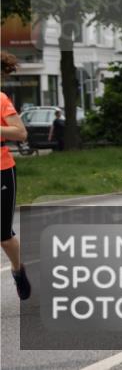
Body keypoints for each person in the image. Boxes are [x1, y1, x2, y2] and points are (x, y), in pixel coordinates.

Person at [1, 52, 31, 300]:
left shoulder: (1, 100)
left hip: (2, 169)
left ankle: (18, 269)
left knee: (3, 236)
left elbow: (21, 133)